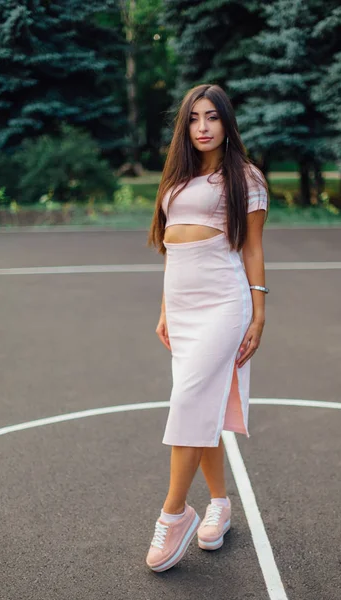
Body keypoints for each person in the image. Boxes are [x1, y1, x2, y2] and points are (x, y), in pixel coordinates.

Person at [146, 83, 269, 572]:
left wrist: (259, 313)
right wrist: (164, 310)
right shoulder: (176, 176)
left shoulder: (246, 178)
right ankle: (219, 502)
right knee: (204, 406)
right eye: (194, 118)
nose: (202, 127)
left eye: (212, 117)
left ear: (226, 123)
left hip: (223, 302)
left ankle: (174, 513)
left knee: (190, 402)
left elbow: (253, 249)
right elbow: (170, 248)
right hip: (182, 305)